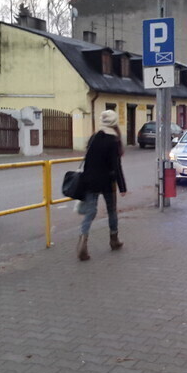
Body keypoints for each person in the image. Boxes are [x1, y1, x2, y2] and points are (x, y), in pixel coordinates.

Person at [77, 109, 127, 261]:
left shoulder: (93, 137)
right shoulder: (114, 140)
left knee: (90, 212)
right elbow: (115, 165)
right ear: (114, 122)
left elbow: (88, 160)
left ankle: (83, 242)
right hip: (107, 182)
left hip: (90, 180)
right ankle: (114, 240)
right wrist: (122, 187)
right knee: (111, 210)